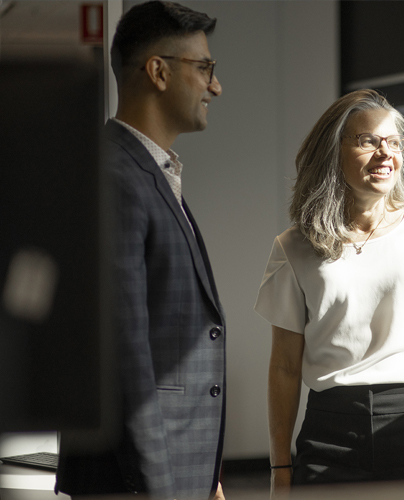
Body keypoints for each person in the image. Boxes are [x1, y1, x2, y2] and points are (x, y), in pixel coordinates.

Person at [254, 89, 404, 496]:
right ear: (333, 152)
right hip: (330, 430)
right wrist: (280, 467)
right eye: (368, 141)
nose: (386, 153)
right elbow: (284, 367)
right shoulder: (294, 246)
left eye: (394, 142)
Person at [55, 2, 226, 498]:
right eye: (205, 69)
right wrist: (161, 487)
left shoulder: (149, 173)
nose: (216, 87)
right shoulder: (115, 177)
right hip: (136, 482)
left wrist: (205, 474)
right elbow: (124, 358)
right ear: (158, 71)